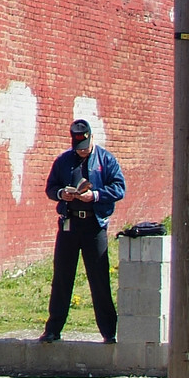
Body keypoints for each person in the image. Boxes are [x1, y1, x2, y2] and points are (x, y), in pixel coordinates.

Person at [40, 117, 125, 344]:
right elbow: (50, 187)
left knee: (99, 278)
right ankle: (53, 329)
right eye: (78, 149)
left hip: (94, 225)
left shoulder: (106, 160)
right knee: (62, 278)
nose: (82, 152)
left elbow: (119, 188)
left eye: (85, 148)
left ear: (92, 139)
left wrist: (95, 195)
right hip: (70, 223)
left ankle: (109, 331)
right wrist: (61, 194)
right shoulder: (64, 161)